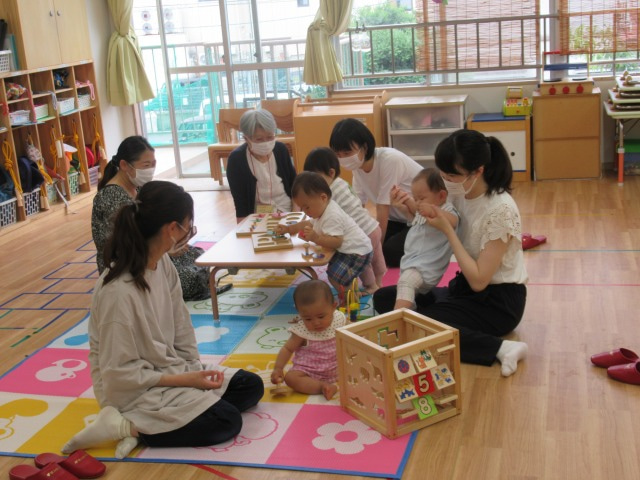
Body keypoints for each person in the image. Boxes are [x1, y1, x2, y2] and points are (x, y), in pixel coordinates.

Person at [63, 181, 264, 457]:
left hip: (171, 370)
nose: (189, 235)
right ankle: (123, 425)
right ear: (171, 229)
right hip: (133, 390)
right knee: (226, 420)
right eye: (188, 228)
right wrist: (187, 381)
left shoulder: (162, 263)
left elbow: (181, 324)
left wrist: (193, 371)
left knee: (250, 386)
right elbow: (117, 374)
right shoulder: (118, 292)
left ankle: (164, 421)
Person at [374, 129, 529, 377]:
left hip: (498, 302)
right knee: (384, 297)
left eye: (451, 175)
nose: (445, 181)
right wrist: (409, 206)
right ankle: (418, 328)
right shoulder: (460, 194)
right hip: (463, 289)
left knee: (422, 321)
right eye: (443, 174)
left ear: (477, 171)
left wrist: (447, 229)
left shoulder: (500, 210)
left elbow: (479, 281)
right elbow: (428, 222)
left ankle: (502, 348)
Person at [91, 136, 211, 301]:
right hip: (128, 263)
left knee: (198, 256)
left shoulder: (138, 188)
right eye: (146, 165)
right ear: (124, 165)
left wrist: (171, 244)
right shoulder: (110, 197)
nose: (151, 170)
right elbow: (124, 246)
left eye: (153, 164)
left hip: (149, 252)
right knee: (188, 277)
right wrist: (166, 249)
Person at [329, 118, 422, 268]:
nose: (343, 159)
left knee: (386, 252)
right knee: (364, 242)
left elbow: (382, 208)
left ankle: (431, 245)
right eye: (338, 154)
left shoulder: (389, 160)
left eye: (347, 153)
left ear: (364, 147)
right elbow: (356, 206)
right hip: (398, 220)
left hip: (420, 218)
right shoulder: (357, 168)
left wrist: (376, 252)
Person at [276, 172, 373, 303]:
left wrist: (315, 238)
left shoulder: (332, 215)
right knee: (335, 270)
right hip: (353, 249)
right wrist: (288, 229)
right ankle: (356, 291)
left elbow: (337, 242)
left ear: (323, 197)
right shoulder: (322, 210)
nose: (304, 211)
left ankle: (351, 300)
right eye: (302, 208)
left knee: (335, 276)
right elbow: (307, 223)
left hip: (357, 252)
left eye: (306, 207)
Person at [304, 147, 386, 294]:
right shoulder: (341, 183)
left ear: (331, 173)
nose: (313, 184)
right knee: (376, 257)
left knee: (364, 262)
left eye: (316, 179)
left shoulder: (328, 193)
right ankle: (379, 281)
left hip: (363, 233)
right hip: (372, 226)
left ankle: (371, 285)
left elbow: (324, 215)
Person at [375, 168, 459, 310]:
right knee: (387, 295)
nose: (418, 203)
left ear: (441, 196)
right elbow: (417, 224)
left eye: (422, 198)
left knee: (406, 283)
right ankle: (412, 311)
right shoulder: (423, 212)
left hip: (425, 268)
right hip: (411, 264)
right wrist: (404, 205)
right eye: (415, 199)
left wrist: (434, 211)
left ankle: (399, 317)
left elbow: (453, 221)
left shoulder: (447, 210)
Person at [271, 280, 347, 400]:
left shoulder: (339, 319)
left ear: (333, 307)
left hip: (337, 366)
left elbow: (353, 332)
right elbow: (287, 349)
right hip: (309, 371)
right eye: (308, 319)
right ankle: (322, 386)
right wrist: (278, 368)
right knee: (291, 378)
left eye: (321, 316)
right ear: (300, 313)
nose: (316, 323)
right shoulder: (301, 330)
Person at [226, 109, 297, 222]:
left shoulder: (281, 150)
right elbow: (240, 203)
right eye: (259, 139)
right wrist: (243, 228)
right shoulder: (237, 160)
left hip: (287, 210)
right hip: (257, 217)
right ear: (246, 138)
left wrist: (295, 215)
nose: (266, 143)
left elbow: (295, 187)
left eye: (270, 137)